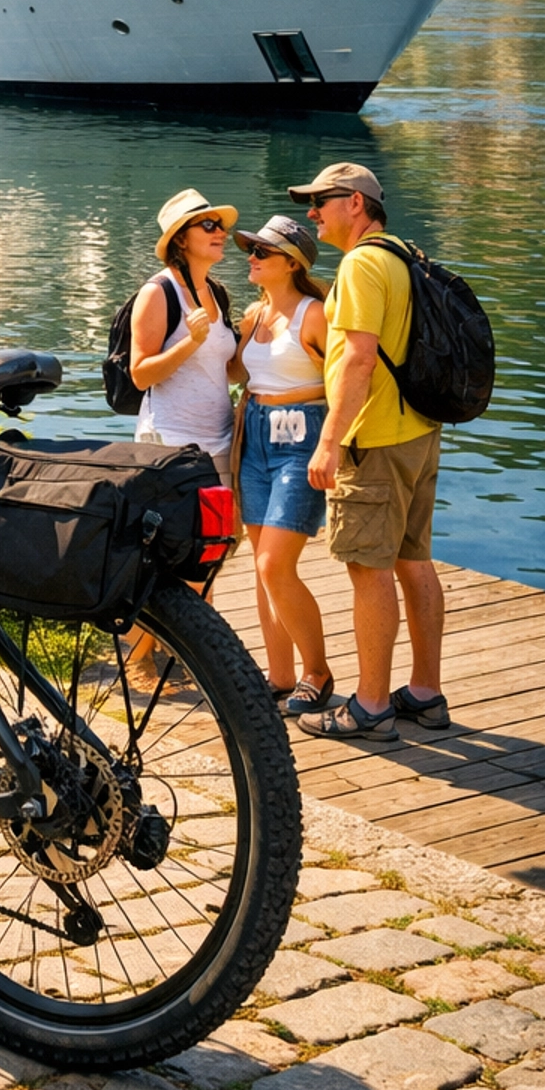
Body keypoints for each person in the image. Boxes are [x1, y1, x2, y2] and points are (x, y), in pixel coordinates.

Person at [289, 161, 449, 743]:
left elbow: (359, 357)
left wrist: (329, 441)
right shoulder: (403, 253)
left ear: (355, 203)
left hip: (374, 439)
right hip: (418, 431)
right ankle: (425, 693)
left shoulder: (360, 264)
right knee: (414, 560)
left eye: (322, 200)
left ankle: (371, 707)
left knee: (368, 569)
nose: (313, 212)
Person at [232, 215, 332, 716]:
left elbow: (346, 380)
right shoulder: (253, 316)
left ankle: (318, 671)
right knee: (261, 564)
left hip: (301, 437)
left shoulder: (315, 315)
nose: (251, 257)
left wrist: (333, 444)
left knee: (275, 564)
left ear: (292, 264)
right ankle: (280, 674)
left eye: (262, 252)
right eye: (251, 249)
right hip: (254, 438)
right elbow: (233, 371)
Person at [130, 189, 239, 481]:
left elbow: (227, 370)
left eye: (221, 225)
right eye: (208, 225)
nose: (221, 233)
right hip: (171, 446)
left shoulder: (216, 292)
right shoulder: (158, 293)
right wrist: (192, 341)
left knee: (224, 514)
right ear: (180, 239)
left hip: (222, 442)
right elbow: (140, 375)